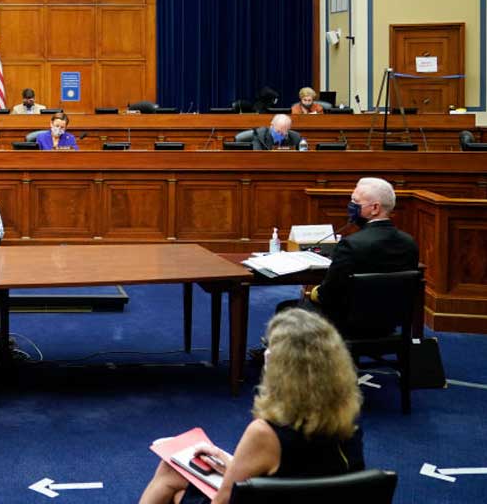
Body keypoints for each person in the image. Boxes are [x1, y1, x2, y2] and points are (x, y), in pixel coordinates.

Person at [138, 308, 364, 504]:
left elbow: (222, 501)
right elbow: (298, 474)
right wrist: (228, 463)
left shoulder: (266, 434)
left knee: (170, 475)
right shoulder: (348, 424)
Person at [302, 177, 419, 329]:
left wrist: (313, 292)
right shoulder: (409, 243)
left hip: (346, 324)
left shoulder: (350, 245)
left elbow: (328, 295)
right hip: (389, 322)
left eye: (355, 202)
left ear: (375, 208)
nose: (350, 206)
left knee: (288, 308)